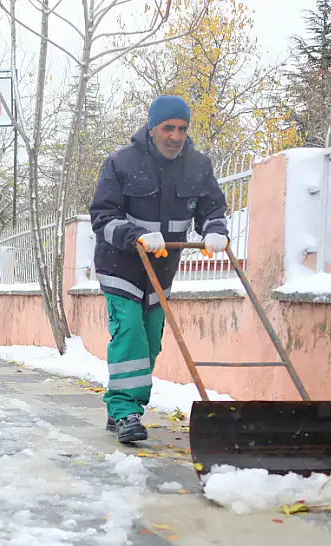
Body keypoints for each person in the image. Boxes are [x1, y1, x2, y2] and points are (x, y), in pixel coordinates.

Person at [89, 95, 229, 444]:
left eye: (182, 128)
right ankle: (126, 412)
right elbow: (101, 218)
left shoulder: (198, 165)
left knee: (151, 340)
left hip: (162, 270)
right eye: (168, 128)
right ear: (152, 128)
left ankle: (119, 402)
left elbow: (212, 207)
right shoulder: (121, 162)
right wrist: (135, 235)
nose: (175, 136)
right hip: (120, 264)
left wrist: (214, 231)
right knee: (130, 334)